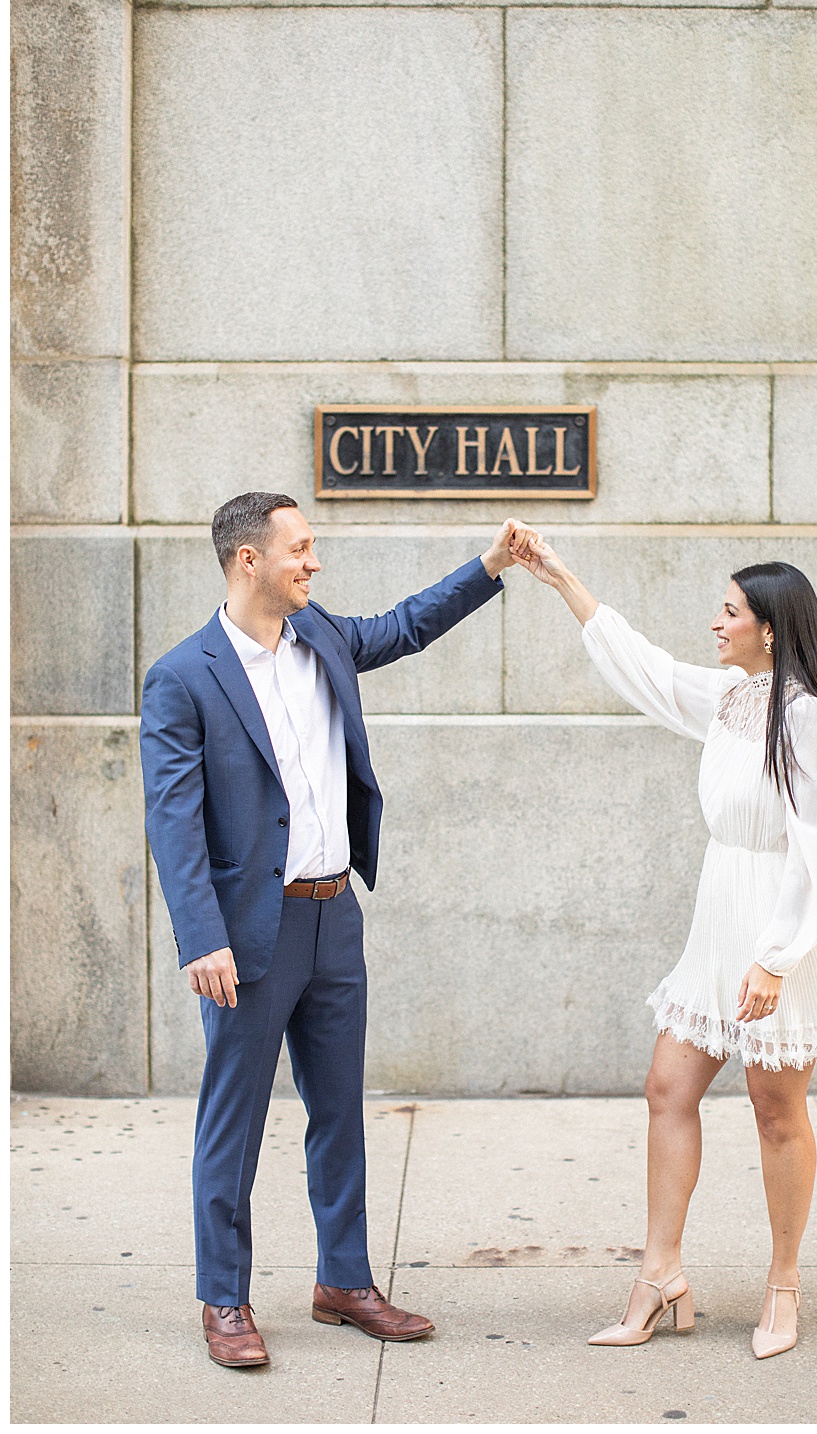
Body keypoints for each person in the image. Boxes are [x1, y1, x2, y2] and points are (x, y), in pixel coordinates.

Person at [506, 533, 817, 1360]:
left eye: (728, 611)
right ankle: (659, 1276)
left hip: (775, 920)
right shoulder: (734, 697)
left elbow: (814, 844)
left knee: (775, 1109)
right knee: (667, 1087)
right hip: (717, 914)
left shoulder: (805, 716)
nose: (715, 623)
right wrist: (562, 581)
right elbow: (647, 669)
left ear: (769, 628)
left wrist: (777, 957)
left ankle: (784, 1284)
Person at [140, 491, 527, 1369]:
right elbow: (174, 821)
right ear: (250, 560)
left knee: (339, 1112)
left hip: (333, 916)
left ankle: (343, 1282)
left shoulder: (322, 639)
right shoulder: (183, 676)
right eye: (300, 549)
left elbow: (407, 624)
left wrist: (491, 566)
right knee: (232, 1124)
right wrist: (203, 937)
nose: (314, 562)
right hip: (247, 932)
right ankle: (224, 1299)